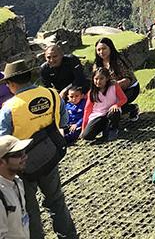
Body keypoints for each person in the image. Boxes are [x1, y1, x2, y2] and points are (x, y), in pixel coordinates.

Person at [0, 60, 78, 239]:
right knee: (56, 200)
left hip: (22, 163)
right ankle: (68, 235)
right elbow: (64, 122)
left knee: (29, 208)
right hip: (50, 155)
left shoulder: (9, 108)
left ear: (11, 84)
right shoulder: (51, 94)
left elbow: (3, 141)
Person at [93, 37, 140, 120]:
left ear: (110, 48)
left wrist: (111, 88)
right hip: (111, 91)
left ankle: (133, 108)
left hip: (130, 88)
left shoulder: (118, 60)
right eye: (99, 50)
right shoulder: (97, 64)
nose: (101, 52)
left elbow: (128, 80)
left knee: (113, 108)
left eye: (104, 48)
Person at [80, 68, 127, 142]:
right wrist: (83, 128)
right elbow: (87, 110)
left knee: (114, 112)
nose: (98, 81)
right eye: (96, 79)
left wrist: (116, 105)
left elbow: (123, 99)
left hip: (111, 112)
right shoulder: (91, 93)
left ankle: (113, 129)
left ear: (107, 78)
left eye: (101, 79)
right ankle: (104, 127)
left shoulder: (114, 86)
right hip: (98, 115)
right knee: (87, 136)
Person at [0, 134, 31, 239]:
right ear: (2, 161)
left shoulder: (17, 182)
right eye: (18, 154)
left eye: (24, 152)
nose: (25, 157)